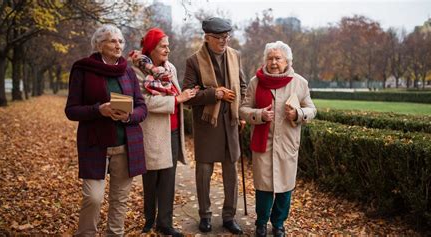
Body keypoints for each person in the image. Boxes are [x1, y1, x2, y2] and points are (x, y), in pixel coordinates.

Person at [64, 24, 147, 236]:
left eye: (120, 41)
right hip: (95, 143)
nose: (118, 45)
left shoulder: (128, 72)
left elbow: (141, 107)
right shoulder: (83, 69)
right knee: (93, 197)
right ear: (99, 44)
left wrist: (129, 116)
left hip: (125, 144)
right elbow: (71, 110)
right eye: (112, 40)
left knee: (120, 200)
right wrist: (98, 110)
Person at [239, 41, 316, 237]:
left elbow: (312, 109)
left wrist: (298, 113)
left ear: (287, 60)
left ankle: (279, 224)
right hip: (263, 143)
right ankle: (261, 223)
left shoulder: (300, 82)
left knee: (285, 187)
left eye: (278, 58)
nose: (273, 62)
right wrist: (259, 115)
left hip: (287, 144)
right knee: (263, 186)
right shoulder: (255, 82)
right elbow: (243, 109)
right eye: (270, 58)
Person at [130, 28, 197, 237]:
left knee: (168, 177)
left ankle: (165, 223)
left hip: (173, 130)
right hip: (152, 131)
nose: (168, 49)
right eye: (163, 46)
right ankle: (149, 220)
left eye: (168, 45)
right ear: (151, 48)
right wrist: (177, 99)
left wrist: (188, 96)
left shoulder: (170, 68)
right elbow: (144, 101)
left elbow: (178, 93)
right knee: (151, 177)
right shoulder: (137, 71)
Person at [182, 17, 247, 234]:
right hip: (207, 125)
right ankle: (205, 216)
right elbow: (188, 96)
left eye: (226, 36)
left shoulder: (235, 55)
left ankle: (229, 217)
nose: (223, 41)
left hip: (231, 124)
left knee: (231, 175)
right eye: (218, 37)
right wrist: (214, 93)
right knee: (203, 173)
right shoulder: (193, 61)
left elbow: (243, 86)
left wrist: (241, 112)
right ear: (207, 38)